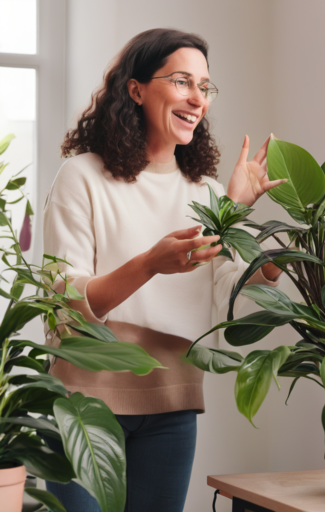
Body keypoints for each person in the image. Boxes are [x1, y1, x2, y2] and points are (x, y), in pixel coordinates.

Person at [43, 28, 286, 512]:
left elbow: (223, 295)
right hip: (85, 403)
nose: (198, 98)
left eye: (205, 86)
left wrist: (269, 250)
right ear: (136, 90)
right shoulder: (82, 177)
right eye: (181, 82)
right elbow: (62, 302)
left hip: (172, 407)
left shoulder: (207, 193)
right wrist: (149, 265)